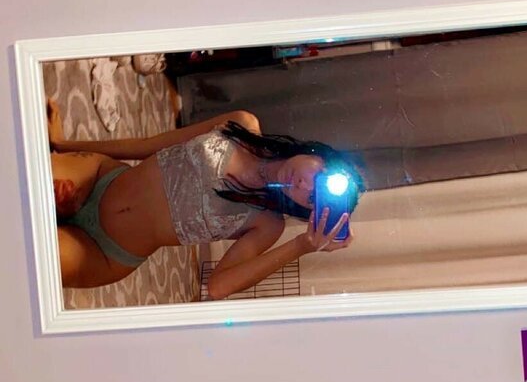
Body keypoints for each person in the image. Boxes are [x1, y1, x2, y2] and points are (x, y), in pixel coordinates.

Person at [47, 101, 365, 299]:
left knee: (32, 257)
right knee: (26, 182)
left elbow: (218, 287)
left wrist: (302, 246)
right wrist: (63, 144)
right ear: (316, 154)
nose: (303, 185)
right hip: (98, 178)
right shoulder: (242, 125)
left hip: (103, 251)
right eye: (318, 175)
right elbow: (150, 144)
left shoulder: (267, 224)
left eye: (311, 198)